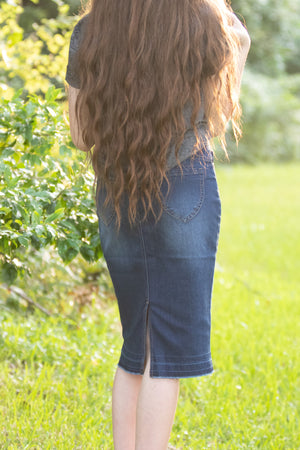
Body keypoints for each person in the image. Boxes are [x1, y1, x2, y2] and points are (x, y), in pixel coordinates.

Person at [65, 1, 250, 448]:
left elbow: (79, 135)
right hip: (184, 186)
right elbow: (217, 121)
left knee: (138, 343)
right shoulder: (202, 23)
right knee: (166, 351)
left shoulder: (91, 30)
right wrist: (239, 49)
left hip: (116, 190)